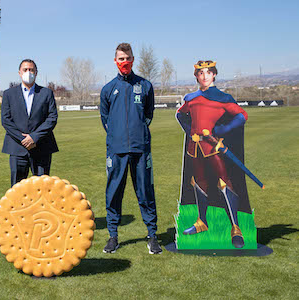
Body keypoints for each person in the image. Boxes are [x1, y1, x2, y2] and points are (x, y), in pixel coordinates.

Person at [176, 60, 248, 248]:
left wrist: (223, 130)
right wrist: (189, 130)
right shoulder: (191, 98)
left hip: (213, 147)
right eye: (201, 73)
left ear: (214, 74)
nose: (204, 76)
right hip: (195, 148)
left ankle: (235, 228)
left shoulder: (222, 98)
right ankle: (201, 222)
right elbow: (180, 114)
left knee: (224, 182)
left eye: (208, 72)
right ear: (197, 77)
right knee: (199, 183)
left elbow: (242, 115)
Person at [100, 43, 161, 254]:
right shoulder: (108, 89)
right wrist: (117, 136)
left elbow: (148, 115)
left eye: (127, 58)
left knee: (145, 192)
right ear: (115, 61)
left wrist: (138, 132)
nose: (124, 62)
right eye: (120, 59)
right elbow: (105, 120)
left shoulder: (145, 86)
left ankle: (152, 235)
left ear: (133, 59)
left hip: (140, 149)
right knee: (114, 192)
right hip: (116, 150)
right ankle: (113, 236)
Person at [1, 59, 58, 186]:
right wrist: (24, 140)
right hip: (17, 148)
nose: (28, 72)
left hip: (42, 147)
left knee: (42, 188)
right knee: (17, 190)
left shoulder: (46, 93)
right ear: (19, 73)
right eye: (25, 70)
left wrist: (34, 137)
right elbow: (6, 120)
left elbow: (52, 118)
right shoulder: (9, 94)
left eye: (31, 70)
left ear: (36, 73)